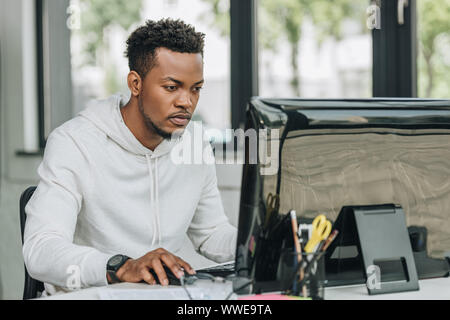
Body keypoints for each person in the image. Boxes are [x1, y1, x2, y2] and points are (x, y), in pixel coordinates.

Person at [22, 18, 237, 295]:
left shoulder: (194, 144)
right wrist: (120, 266)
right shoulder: (74, 142)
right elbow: (40, 249)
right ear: (136, 84)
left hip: (160, 294)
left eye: (195, 88)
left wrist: (265, 243)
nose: (187, 102)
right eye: (172, 87)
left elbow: (211, 234)